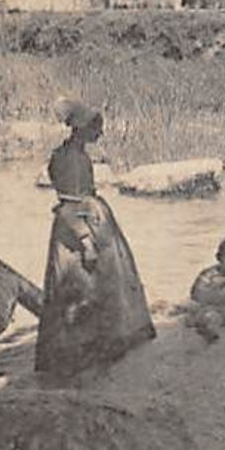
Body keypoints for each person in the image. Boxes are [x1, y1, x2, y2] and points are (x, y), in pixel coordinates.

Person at [35, 99, 155, 381]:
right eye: (95, 128)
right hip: (77, 231)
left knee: (100, 287)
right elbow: (68, 204)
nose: (100, 134)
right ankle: (77, 358)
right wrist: (86, 240)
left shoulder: (74, 154)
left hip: (90, 222)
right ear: (81, 129)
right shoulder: (68, 159)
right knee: (79, 288)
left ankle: (98, 350)